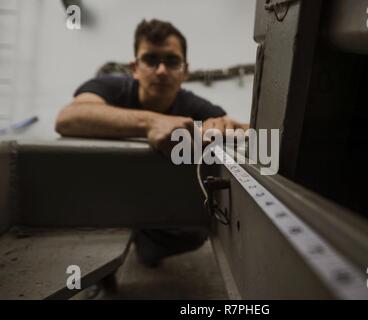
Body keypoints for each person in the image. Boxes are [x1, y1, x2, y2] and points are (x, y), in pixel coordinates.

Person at [55, 19, 248, 267]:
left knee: (193, 233)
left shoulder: (194, 105)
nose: (161, 70)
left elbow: (235, 127)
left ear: (185, 71)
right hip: (105, 196)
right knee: (94, 247)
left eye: (171, 61)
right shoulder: (109, 87)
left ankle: (145, 247)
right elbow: (68, 118)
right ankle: (103, 273)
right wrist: (151, 123)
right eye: (150, 60)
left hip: (153, 203)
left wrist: (230, 127)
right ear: (135, 67)